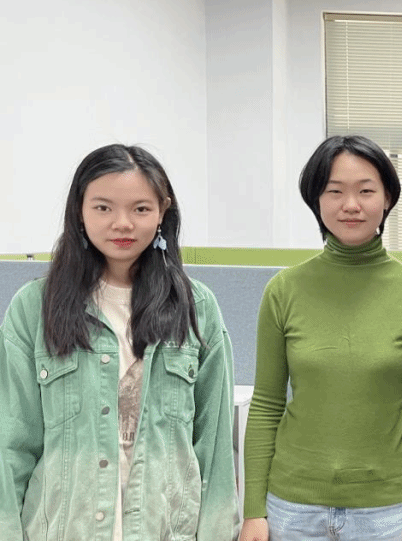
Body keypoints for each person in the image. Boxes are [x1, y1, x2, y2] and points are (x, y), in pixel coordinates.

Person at [0, 144, 238, 539]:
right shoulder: (34, 307)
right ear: (79, 210)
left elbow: (214, 447)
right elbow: (11, 443)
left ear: (162, 211)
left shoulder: (196, 307)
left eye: (140, 209)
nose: (122, 224)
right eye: (103, 208)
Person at [240, 135, 402, 541]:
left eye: (366, 191)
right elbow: (265, 406)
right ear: (316, 200)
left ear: (387, 198)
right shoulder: (284, 290)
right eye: (334, 191)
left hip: (388, 511)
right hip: (292, 509)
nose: (351, 205)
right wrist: (253, 511)